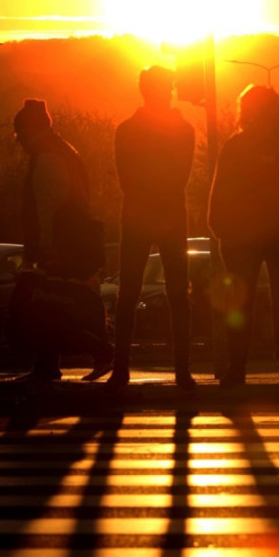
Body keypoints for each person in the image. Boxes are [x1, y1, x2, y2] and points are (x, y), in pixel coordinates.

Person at [208, 85, 279, 388]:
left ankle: (238, 368)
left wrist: (222, 230)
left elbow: (219, 196)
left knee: (241, 304)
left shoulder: (236, 146)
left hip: (245, 238)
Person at [105, 66, 197, 391]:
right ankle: (182, 370)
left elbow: (127, 178)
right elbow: (179, 176)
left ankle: (121, 370)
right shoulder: (183, 130)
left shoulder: (127, 130)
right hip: (168, 214)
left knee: (129, 293)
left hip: (139, 215)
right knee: (176, 294)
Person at [12, 98, 112, 383]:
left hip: (61, 245)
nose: (18, 140)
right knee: (59, 303)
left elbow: (47, 207)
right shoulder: (65, 151)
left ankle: (95, 351)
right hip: (75, 240)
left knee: (53, 303)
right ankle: (53, 361)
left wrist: (44, 246)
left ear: (30, 130)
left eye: (19, 133)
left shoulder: (46, 157)